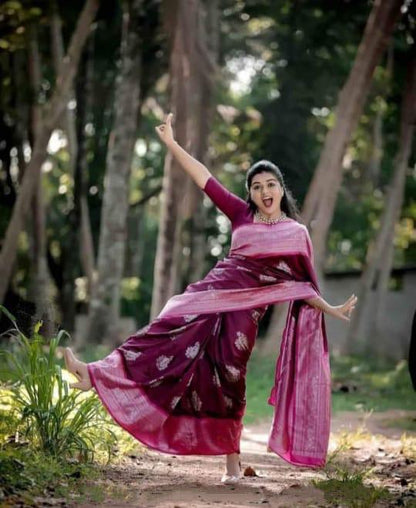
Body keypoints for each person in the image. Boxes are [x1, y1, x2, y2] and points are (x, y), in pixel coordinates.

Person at [65, 113, 357, 484]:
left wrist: (330, 308)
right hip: (209, 297)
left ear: (281, 189)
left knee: (228, 378)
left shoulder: (296, 233)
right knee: (164, 326)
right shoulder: (239, 214)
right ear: (250, 193)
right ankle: (97, 374)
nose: (264, 192)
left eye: (270, 184)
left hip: (243, 320)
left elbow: (300, 287)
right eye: (256, 186)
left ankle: (232, 464)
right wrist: (172, 144)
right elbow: (204, 177)